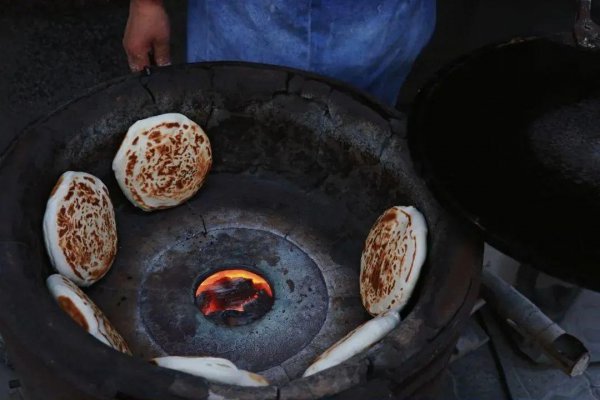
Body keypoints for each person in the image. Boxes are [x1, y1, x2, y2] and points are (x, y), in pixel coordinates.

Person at [123, 0, 435, 106]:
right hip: (241, 22)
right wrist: (147, 3)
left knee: (356, 140)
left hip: (375, 25)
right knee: (225, 138)